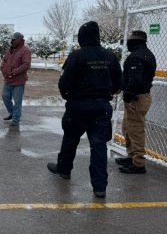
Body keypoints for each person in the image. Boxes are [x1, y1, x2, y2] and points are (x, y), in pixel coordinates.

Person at [47, 21, 123, 198]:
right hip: (101, 107)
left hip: (78, 106)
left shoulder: (76, 56)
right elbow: (119, 84)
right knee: (98, 146)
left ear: (82, 37)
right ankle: (100, 187)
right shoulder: (110, 56)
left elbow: (64, 83)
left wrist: (69, 97)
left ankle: (64, 169)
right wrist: (104, 94)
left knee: (70, 139)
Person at [117, 30, 157, 174]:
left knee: (135, 131)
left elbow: (135, 81)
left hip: (136, 99)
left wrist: (127, 98)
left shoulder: (137, 57)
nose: (128, 43)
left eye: (130, 41)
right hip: (139, 97)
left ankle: (139, 164)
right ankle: (132, 157)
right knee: (128, 129)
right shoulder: (146, 54)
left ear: (136, 42)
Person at [0, 32, 32, 126]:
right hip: (7, 79)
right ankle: (12, 113)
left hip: (19, 80)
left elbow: (26, 64)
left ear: (20, 40)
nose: (12, 41)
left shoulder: (25, 51)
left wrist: (14, 72)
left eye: (14, 39)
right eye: (12, 39)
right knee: (5, 96)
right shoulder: (9, 50)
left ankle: (16, 119)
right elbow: (4, 62)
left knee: (17, 101)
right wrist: (4, 71)